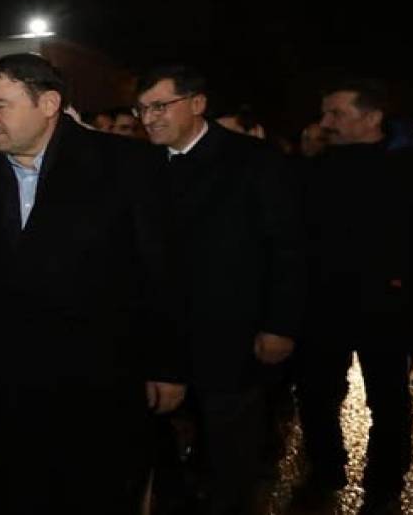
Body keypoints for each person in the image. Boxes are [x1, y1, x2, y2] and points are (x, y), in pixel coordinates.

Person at [0, 53, 186, 513]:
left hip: (101, 382)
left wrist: (167, 365)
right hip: (8, 385)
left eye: (0, 106)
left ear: (48, 104)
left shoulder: (126, 165)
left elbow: (162, 271)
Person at [135, 65, 304, 515]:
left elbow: (287, 247)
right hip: (164, 337)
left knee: (231, 448)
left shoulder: (253, 160)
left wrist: (280, 324)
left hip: (232, 333)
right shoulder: (143, 165)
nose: (149, 118)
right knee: (162, 441)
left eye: (160, 106)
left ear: (197, 103)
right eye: (142, 109)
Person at [291, 79, 413, 515]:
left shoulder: (409, 169)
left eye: (337, 113)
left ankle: (384, 484)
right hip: (322, 305)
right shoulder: (315, 168)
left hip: (386, 306)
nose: (326, 122)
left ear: (372, 117)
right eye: (324, 113)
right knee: (315, 393)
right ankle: (326, 468)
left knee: (388, 398)